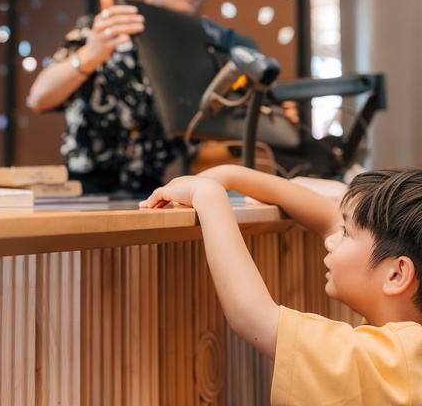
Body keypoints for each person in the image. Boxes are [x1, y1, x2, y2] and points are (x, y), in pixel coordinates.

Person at [139, 164, 422, 404]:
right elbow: (326, 214)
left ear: (396, 275)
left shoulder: (396, 359)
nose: (331, 239)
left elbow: (252, 316)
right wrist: (228, 175)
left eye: (346, 233)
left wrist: (209, 196)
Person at [27, 0, 255, 195]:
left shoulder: (200, 56)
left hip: (152, 200)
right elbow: (38, 98)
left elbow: (204, 150)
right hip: (84, 196)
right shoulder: (103, 29)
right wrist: (90, 55)